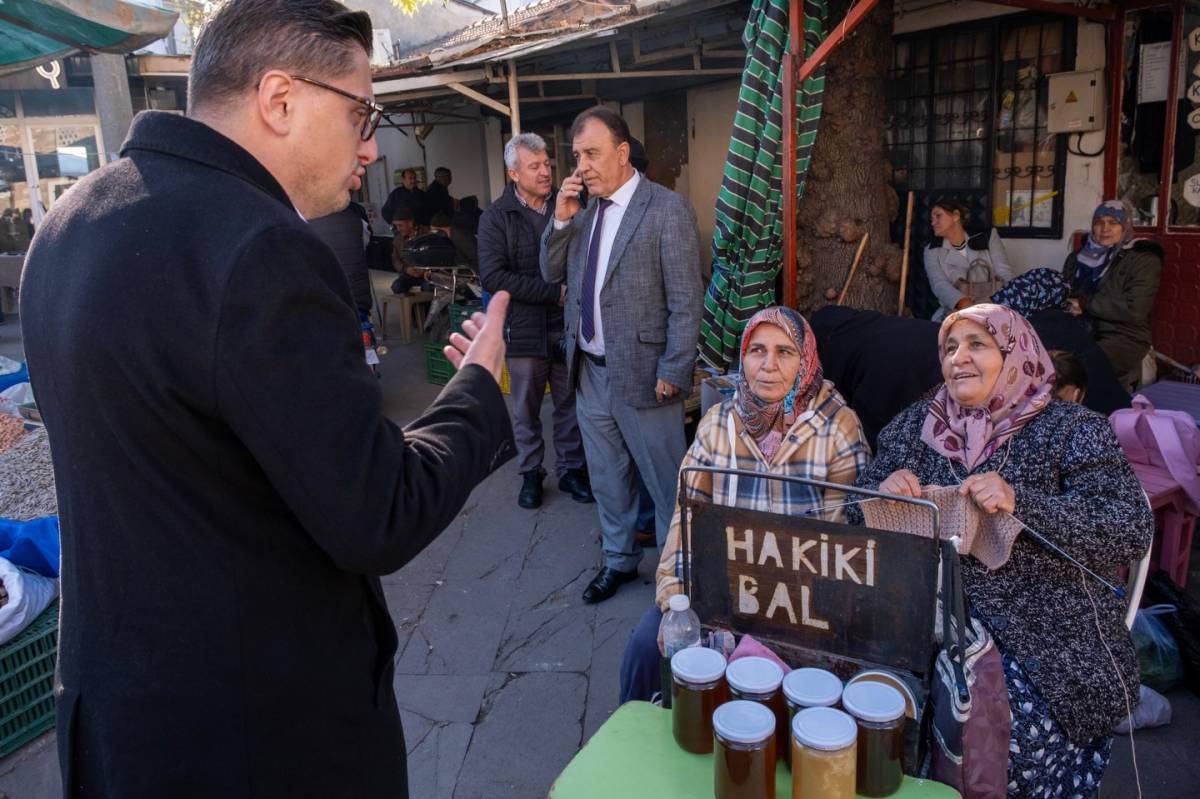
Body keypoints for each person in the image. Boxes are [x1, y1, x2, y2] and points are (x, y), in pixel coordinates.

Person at [18, 2, 515, 795]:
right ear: (280, 99)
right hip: (259, 741)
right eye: (362, 112)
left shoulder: (66, 225)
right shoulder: (262, 250)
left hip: (114, 723)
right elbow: (379, 509)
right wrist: (478, 391)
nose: (370, 144)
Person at [853, 303, 1152, 798]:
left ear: (1016, 353)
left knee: (1011, 742)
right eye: (950, 347)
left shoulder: (1072, 430)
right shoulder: (917, 426)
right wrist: (882, 492)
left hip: (1044, 628)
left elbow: (1127, 527)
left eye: (977, 345)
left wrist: (1022, 504)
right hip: (924, 616)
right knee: (867, 714)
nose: (958, 359)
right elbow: (854, 510)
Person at [619, 307, 869, 702]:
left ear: (806, 361)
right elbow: (687, 519)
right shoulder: (718, 423)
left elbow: (845, 544)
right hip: (721, 592)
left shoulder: (838, 428)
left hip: (803, 606)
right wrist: (674, 599)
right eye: (757, 350)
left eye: (785, 352)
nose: (768, 366)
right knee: (643, 652)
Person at [541, 106, 703, 604]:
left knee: (665, 484)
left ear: (622, 152)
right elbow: (550, 273)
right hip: (589, 372)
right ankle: (619, 561)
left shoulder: (665, 209)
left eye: (591, 153)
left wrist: (675, 368)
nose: (581, 165)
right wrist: (561, 220)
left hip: (647, 375)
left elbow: (685, 299)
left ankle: (685, 574)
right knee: (608, 478)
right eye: (576, 156)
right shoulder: (583, 217)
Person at [479, 133, 593, 509]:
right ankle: (531, 473)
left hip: (566, 326)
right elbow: (493, 277)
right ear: (514, 174)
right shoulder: (497, 217)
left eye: (547, 164)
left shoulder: (571, 204)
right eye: (535, 166)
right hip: (525, 329)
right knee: (525, 408)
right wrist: (552, 292)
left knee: (568, 403)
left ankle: (571, 470)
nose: (546, 172)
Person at [1062, 199, 1163, 387]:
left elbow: (1135, 310)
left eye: (1113, 222)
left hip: (1123, 335)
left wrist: (1086, 304)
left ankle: (1107, 409)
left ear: (1125, 226)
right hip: (1080, 328)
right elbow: (1065, 293)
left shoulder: (1143, 260)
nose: (1105, 228)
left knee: (1078, 364)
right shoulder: (1077, 258)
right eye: (1099, 222)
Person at [923, 199, 1016, 319]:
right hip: (957, 311)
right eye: (932, 218)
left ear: (956, 216)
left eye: (938, 216)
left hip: (995, 307)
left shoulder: (987, 237)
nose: (933, 222)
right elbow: (939, 284)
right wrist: (965, 304)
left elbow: (1004, 272)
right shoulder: (932, 250)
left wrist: (1007, 303)